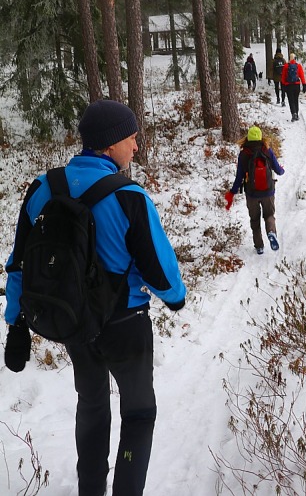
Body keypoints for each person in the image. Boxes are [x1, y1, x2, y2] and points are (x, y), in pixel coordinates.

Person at [4, 99, 187, 496]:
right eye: (132, 139)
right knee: (139, 413)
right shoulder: (128, 196)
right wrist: (176, 298)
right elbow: (159, 268)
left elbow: (19, 263)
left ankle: (91, 489)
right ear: (109, 144)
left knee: (91, 404)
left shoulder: (41, 189)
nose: (136, 147)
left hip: (75, 326)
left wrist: (16, 324)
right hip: (126, 326)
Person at [224, 126, 284, 254]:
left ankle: (259, 246)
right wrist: (282, 170)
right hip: (268, 191)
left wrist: (232, 192)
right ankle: (271, 233)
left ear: (248, 138)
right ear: (261, 137)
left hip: (251, 193)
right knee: (269, 215)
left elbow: (239, 176)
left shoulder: (244, 153)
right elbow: (278, 170)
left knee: (254, 219)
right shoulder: (267, 150)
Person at [281, 53, 306, 122]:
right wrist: (304, 84)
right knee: (295, 100)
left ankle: (293, 113)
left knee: (291, 100)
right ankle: (296, 114)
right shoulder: (298, 66)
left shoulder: (286, 66)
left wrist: (283, 85)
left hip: (289, 85)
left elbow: (283, 77)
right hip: (296, 85)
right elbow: (302, 76)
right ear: (295, 58)